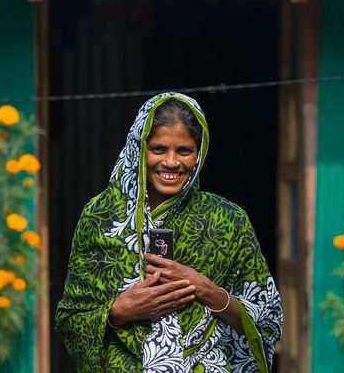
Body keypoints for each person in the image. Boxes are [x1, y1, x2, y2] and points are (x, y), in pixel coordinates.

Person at [55, 92, 282, 373]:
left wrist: (205, 289)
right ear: (139, 149)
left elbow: (268, 319)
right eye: (159, 149)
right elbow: (69, 320)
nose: (171, 162)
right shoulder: (100, 216)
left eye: (184, 151)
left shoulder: (227, 219)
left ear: (200, 153)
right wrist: (118, 311)